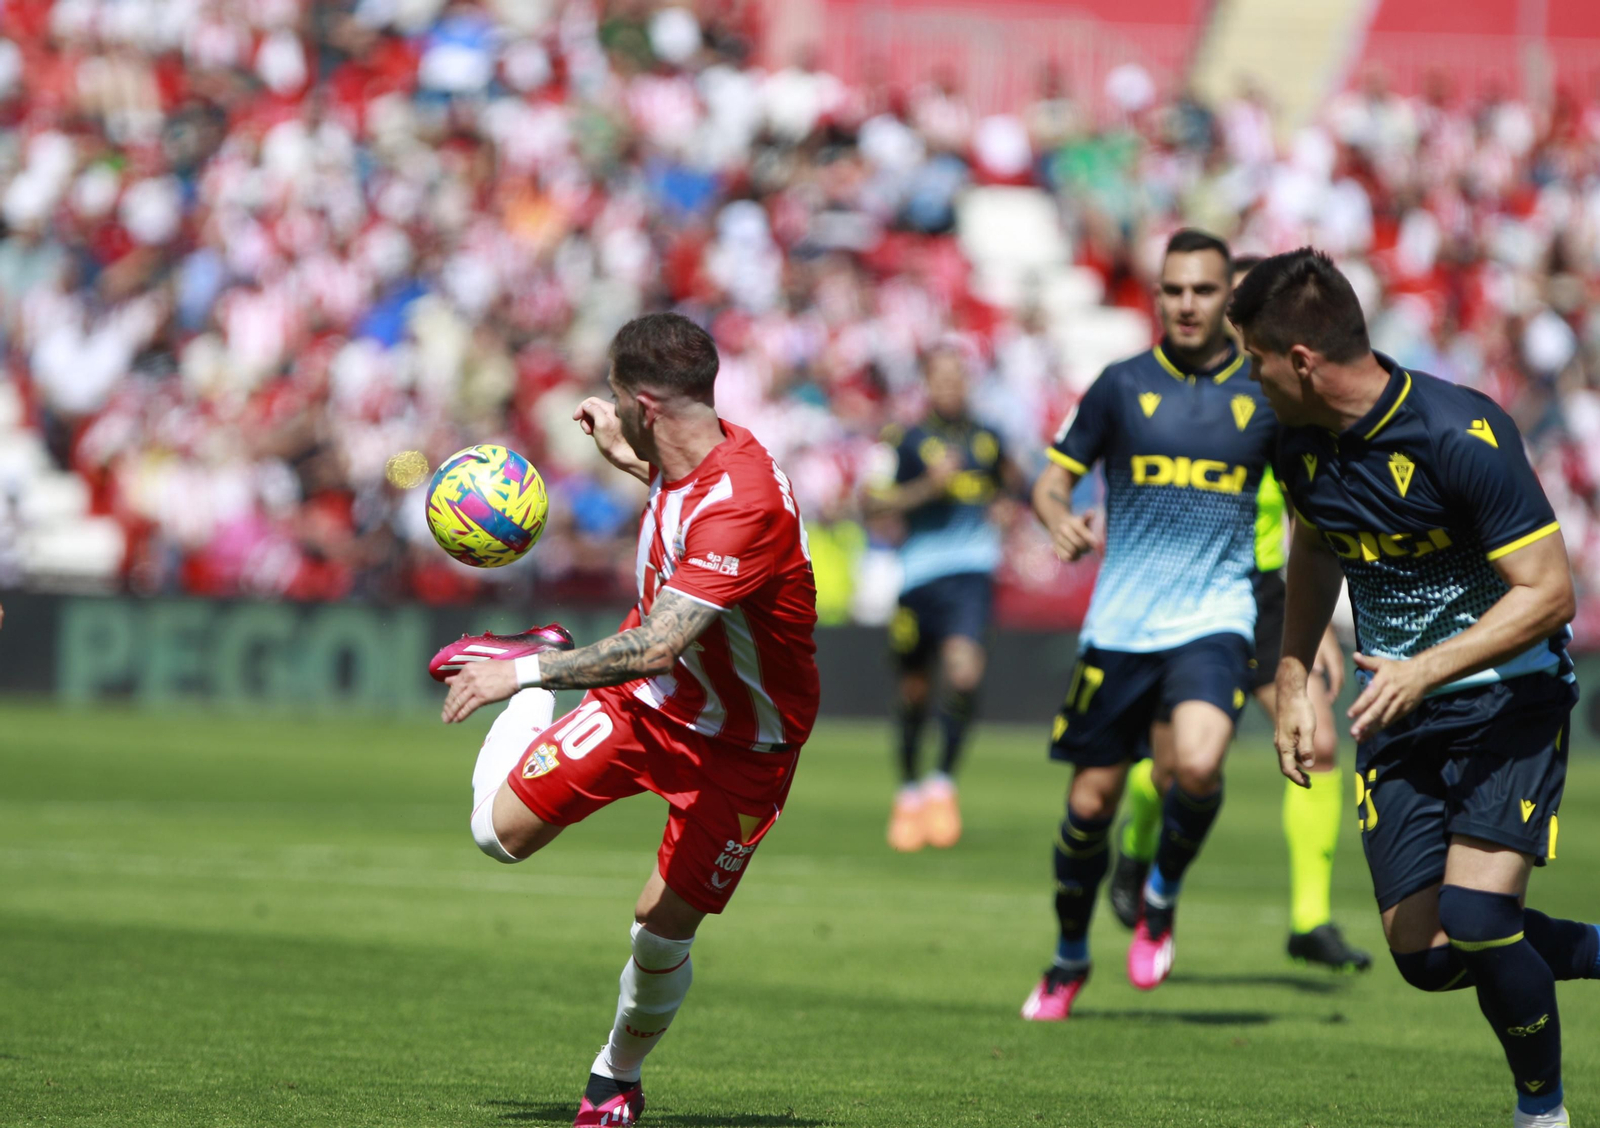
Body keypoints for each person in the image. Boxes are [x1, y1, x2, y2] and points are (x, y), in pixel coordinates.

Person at [1233, 248, 1599, 1128]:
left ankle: (1540, 1113)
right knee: (1425, 954)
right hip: (1393, 705)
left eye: (1255, 361)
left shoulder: (1455, 433)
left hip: (1507, 698)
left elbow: (1551, 592)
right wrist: (1291, 677)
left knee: (1477, 914)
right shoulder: (1294, 444)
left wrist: (1425, 668)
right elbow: (1315, 549)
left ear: (1304, 361)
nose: (1249, 381)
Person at [436, 312, 819, 1127]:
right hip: (648, 712)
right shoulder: (690, 452)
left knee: (659, 928)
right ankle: (539, 663)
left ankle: (615, 1078)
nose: (607, 411)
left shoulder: (741, 503)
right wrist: (630, 458)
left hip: (745, 746)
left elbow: (656, 645)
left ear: (646, 405)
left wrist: (519, 676)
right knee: (493, 835)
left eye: (617, 399)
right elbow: (675, 497)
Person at [1021, 229, 1277, 1020]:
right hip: (1122, 626)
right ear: (1157, 296)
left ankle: (1161, 892)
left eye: (1203, 290)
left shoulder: (1268, 396)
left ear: (1228, 299)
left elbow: (1313, 510)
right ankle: (1068, 960)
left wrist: (1307, 643)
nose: (1188, 304)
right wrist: (1058, 517)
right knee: (1090, 807)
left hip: (1216, 617)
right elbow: (1050, 483)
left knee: (1196, 768)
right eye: (1174, 290)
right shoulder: (1119, 386)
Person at [1108, 254, 1371, 973]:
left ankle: (1309, 919)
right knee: (1172, 770)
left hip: (1261, 595)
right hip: (1193, 593)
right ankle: (1136, 849)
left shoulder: (1283, 406)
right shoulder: (1197, 396)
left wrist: (1310, 631)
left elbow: (1303, 518)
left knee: (1315, 741)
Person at [863, 345, 1019, 851]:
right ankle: (908, 792)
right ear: (927, 384)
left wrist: (1006, 508)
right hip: (917, 579)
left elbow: (1011, 489)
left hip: (972, 575)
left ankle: (941, 783)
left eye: (958, 377)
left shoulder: (989, 438)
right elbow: (871, 502)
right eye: (941, 378)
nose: (950, 386)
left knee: (964, 673)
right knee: (913, 692)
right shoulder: (903, 440)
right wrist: (928, 488)